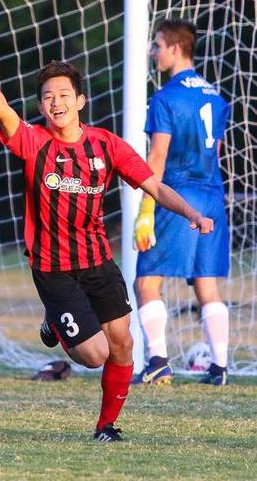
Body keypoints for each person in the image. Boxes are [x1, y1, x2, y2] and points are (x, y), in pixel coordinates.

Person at [0, 36, 213, 441]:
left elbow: (154, 185)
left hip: (97, 260)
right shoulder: (34, 141)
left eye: (63, 94)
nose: (55, 102)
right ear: (41, 107)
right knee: (95, 356)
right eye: (46, 97)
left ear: (79, 100)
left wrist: (193, 213)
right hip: (52, 267)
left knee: (123, 344)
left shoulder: (106, 144)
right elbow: (3, 110)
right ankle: (56, 325)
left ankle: (106, 426)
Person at [132, 20, 231, 387]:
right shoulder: (216, 98)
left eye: (157, 45)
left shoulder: (166, 98)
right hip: (212, 196)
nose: (153, 52)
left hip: (176, 194)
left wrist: (145, 211)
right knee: (207, 285)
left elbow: (156, 158)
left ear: (175, 49)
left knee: (146, 282)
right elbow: (216, 153)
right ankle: (219, 368)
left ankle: (157, 361)